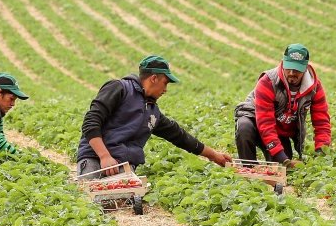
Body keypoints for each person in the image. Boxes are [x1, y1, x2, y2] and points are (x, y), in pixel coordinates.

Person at [76, 56, 231, 177]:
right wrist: (104, 156)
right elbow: (91, 122)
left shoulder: (152, 111)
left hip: (123, 165)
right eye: (165, 83)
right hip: (95, 157)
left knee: (121, 199)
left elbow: (180, 136)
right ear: (154, 78)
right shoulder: (119, 88)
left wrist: (214, 156)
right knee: (93, 196)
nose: (165, 90)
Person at [234, 43, 330, 167]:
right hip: (254, 118)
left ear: (306, 67)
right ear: (283, 63)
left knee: (280, 166)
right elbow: (265, 122)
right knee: (244, 129)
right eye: (288, 67)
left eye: (296, 70)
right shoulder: (268, 81)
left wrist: (321, 154)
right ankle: (248, 170)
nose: (291, 73)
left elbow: (322, 122)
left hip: (278, 129)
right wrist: (282, 159)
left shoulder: (314, 88)